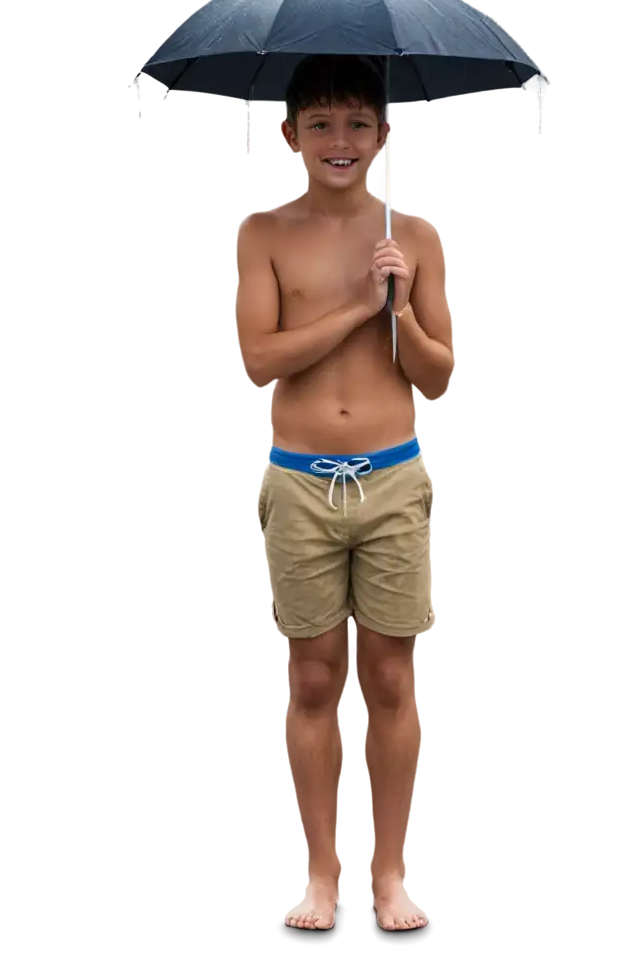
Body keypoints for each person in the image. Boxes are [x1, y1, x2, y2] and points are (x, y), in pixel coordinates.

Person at [234, 54, 455, 941]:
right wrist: (358, 308)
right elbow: (258, 362)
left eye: (358, 123)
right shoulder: (262, 235)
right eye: (320, 123)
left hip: (394, 477)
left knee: (393, 676)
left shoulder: (418, 239)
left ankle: (390, 872)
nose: (341, 140)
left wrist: (398, 310)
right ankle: (320, 876)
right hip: (300, 483)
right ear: (289, 134)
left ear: (384, 137)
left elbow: (441, 376)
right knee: (315, 677)